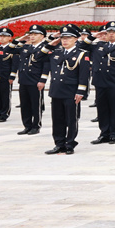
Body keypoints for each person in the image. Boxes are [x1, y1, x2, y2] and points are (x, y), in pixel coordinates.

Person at [41, 25, 89, 154]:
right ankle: (59, 143)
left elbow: (83, 75)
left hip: (71, 92)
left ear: (75, 39)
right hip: (57, 91)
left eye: (68, 38)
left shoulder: (81, 54)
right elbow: (40, 55)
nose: (65, 41)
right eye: (63, 38)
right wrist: (52, 43)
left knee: (71, 119)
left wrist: (80, 91)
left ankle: (70, 144)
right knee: (57, 119)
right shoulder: (56, 52)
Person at [0, 27, 16, 122]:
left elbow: (14, 64)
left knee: (5, 96)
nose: (2, 38)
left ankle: (4, 113)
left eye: (4, 36)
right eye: (0, 36)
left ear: (10, 38)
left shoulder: (12, 50)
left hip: (6, 76)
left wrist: (12, 76)